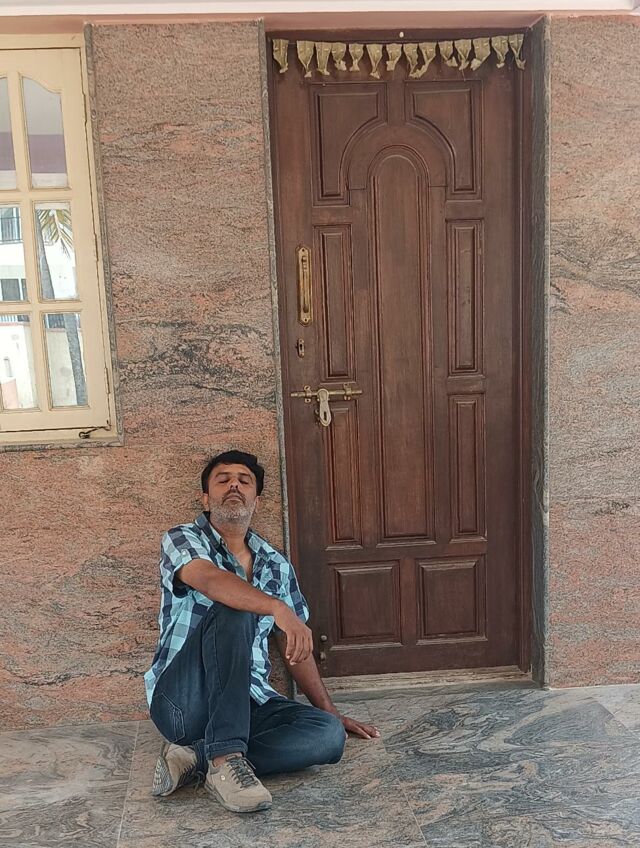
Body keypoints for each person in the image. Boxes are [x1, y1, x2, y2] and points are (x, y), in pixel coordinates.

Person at [144, 449, 380, 813]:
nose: (234, 485)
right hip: (183, 702)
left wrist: (330, 712)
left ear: (256, 500)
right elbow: (210, 580)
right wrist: (275, 607)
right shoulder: (182, 538)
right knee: (236, 608)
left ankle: (196, 758)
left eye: (244, 481)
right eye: (223, 480)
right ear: (205, 498)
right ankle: (224, 761)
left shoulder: (275, 564)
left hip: (250, 703)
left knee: (328, 737)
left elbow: (293, 645)